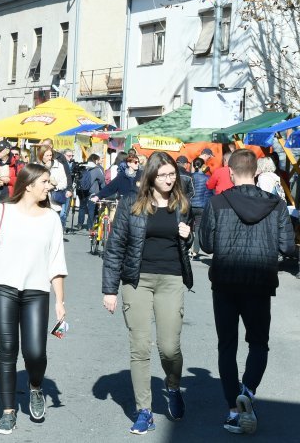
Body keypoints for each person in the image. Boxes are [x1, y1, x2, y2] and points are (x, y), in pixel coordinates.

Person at [199, 149, 294, 435]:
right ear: (255, 172)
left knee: (227, 346)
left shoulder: (216, 203)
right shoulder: (276, 205)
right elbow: (288, 247)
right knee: (258, 343)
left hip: (225, 282)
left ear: (229, 172)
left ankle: (232, 410)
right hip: (259, 283)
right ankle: (248, 392)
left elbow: (206, 245)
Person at [102, 152, 194, 434]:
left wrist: (188, 235)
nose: (169, 179)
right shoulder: (132, 203)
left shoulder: (181, 204)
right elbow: (115, 246)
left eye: (172, 174)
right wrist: (110, 290)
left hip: (171, 279)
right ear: (151, 176)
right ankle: (144, 411)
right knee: (140, 346)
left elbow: (191, 241)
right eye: (163, 174)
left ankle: (173, 385)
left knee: (169, 347)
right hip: (136, 281)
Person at [0, 163, 67, 434]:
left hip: (37, 291)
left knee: (35, 352)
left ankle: (36, 386)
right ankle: (8, 410)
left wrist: (60, 302)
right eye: (46, 182)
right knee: (7, 350)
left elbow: (56, 262)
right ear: (29, 185)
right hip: (2, 289)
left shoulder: (51, 218)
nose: (50, 186)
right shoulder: (2, 211)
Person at [37, 145, 69, 222]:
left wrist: (54, 187)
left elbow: (64, 183)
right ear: (41, 156)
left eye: (50, 155)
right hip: (40, 200)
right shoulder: (37, 166)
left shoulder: (59, 166)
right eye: (47, 155)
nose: (49, 157)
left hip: (54, 200)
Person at [189, 157, 212, 259]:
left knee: (187, 227)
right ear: (203, 166)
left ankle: (187, 248)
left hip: (189, 205)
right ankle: (195, 251)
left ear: (193, 166)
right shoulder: (207, 178)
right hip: (201, 206)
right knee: (198, 229)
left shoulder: (190, 177)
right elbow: (210, 193)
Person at [76, 153, 105, 231]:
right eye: (99, 160)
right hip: (92, 191)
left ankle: (80, 224)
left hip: (81, 190)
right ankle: (89, 226)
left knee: (82, 207)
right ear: (95, 160)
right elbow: (102, 180)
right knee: (91, 209)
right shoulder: (97, 169)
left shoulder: (83, 167)